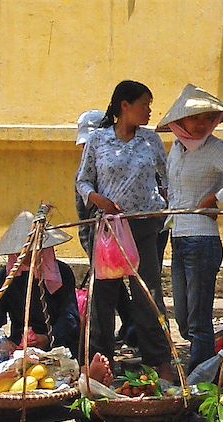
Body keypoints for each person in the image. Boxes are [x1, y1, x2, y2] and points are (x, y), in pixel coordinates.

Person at [155, 84, 223, 374]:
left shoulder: (216, 148)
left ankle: (198, 378)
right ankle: (211, 362)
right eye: (195, 118)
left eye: (207, 118)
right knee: (184, 319)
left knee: (199, 319)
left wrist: (217, 200)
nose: (201, 124)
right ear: (180, 122)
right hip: (178, 236)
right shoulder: (175, 149)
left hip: (202, 239)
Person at [75, 80, 174, 381]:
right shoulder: (98, 141)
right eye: (144, 104)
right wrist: (97, 199)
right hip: (107, 228)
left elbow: (167, 181)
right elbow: (83, 181)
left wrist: (163, 212)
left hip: (144, 227)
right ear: (125, 106)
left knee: (148, 295)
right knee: (103, 297)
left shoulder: (151, 142)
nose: (149, 110)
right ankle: (98, 364)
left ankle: (160, 362)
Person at [0, 212, 79, 369]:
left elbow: (70, 317)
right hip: (19, 347)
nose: (28, 256)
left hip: (58, 345)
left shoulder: (62, 273)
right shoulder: (6, 278)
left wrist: (47, 338)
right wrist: (2, 343)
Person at [74, 109, 137, 349]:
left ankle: (132, 326)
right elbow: (84, 216)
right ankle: (103, 346)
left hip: (129, 237)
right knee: (106, 288)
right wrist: (92, 250)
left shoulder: (123, 163)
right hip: (100, 240)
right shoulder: (83, 175)